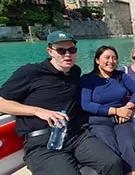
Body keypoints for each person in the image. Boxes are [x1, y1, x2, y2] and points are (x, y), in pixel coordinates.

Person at [0, 31, 123, 175]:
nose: (67, 54)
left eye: (71, 50)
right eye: (61, 50)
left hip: (75, 135)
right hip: (42, 144)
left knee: (112, 163)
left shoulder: (75, 72)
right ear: (50, 51)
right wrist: (38, 111)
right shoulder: (31, 72)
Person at [81, 46, 135, 175]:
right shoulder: (87, 79)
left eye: (114, 58)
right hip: (99, 121)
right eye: (107, 57)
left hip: (122, 119)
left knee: (129, 146)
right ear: (97, 60)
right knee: (111, 150)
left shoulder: (121, 76)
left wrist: (128, 107)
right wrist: (115, 111)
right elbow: (86, 104)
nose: (111, 61)